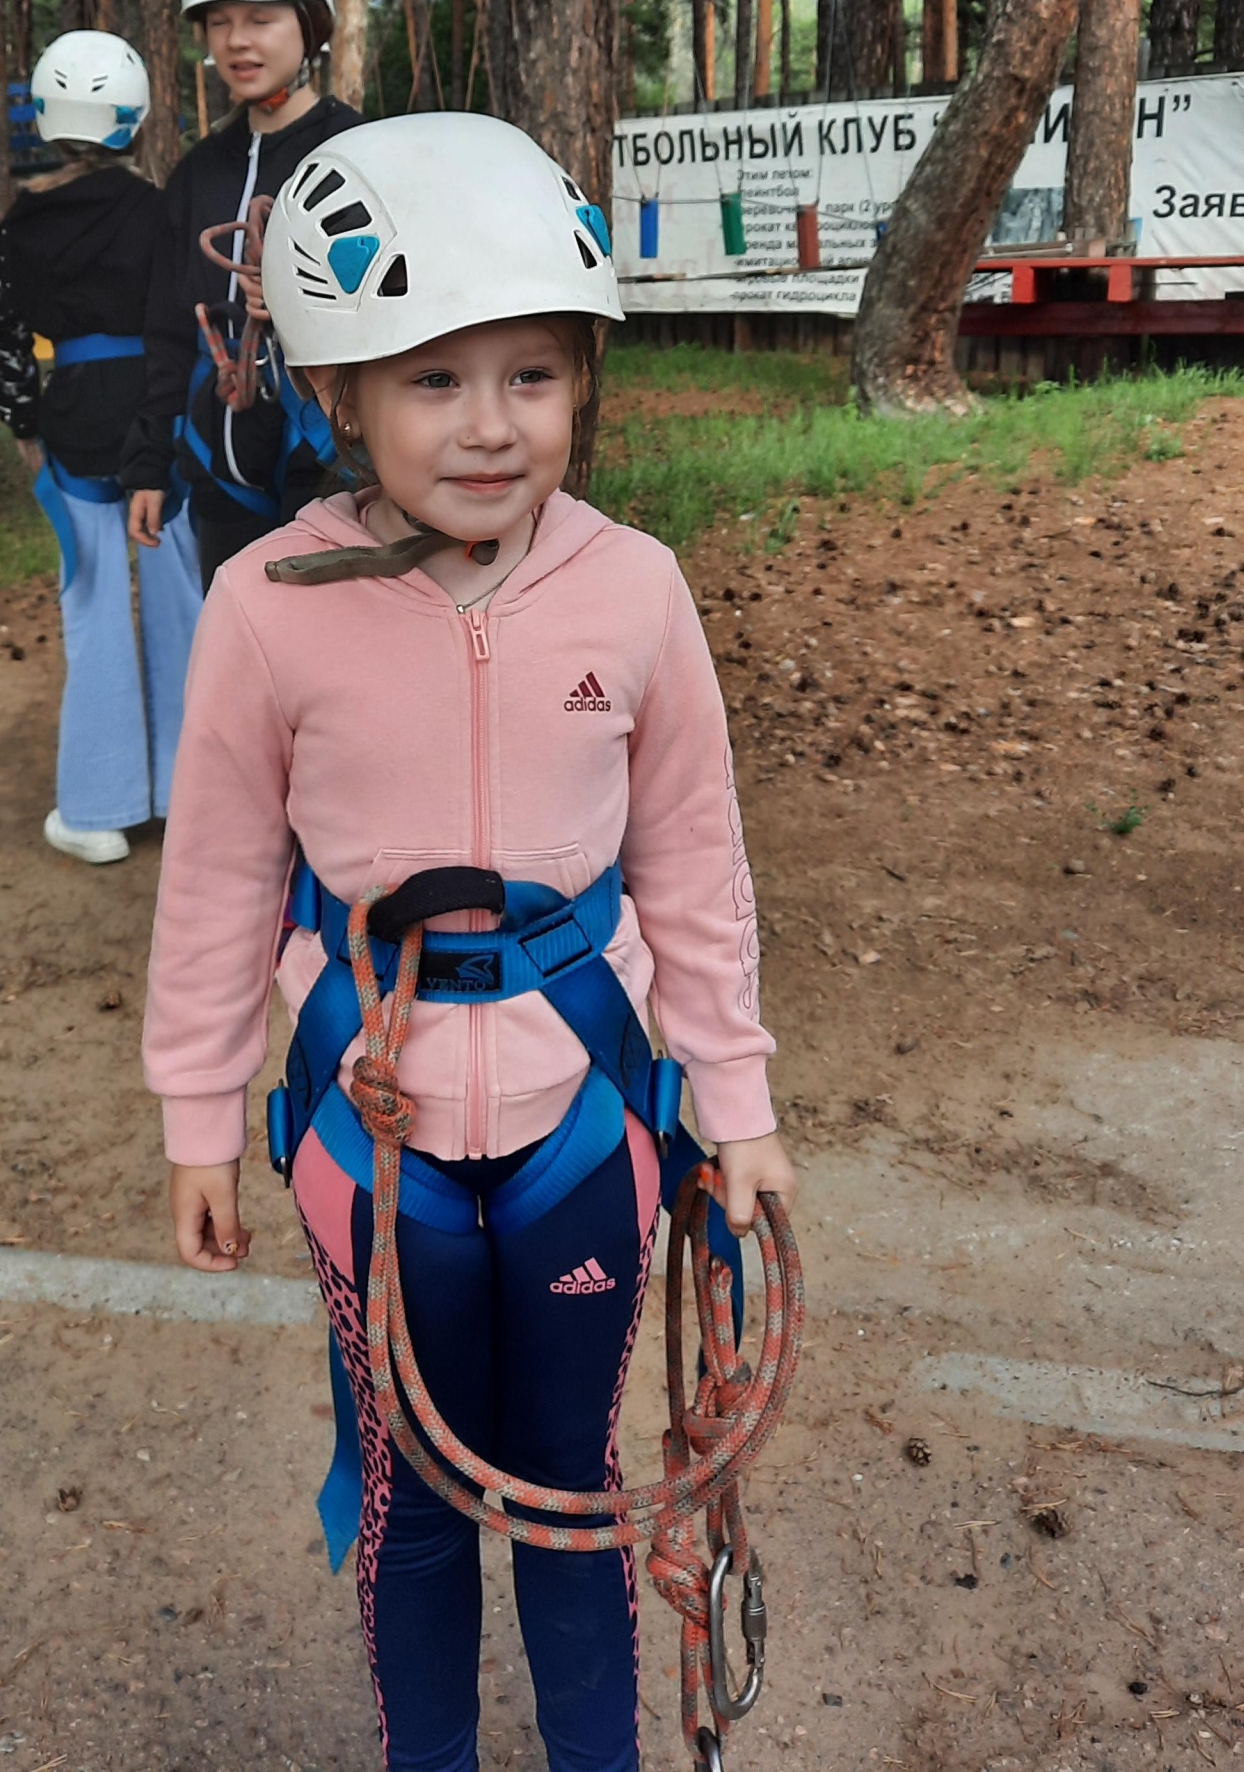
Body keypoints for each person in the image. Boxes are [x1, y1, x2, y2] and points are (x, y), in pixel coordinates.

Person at [142, 114, 797, 1772]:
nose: (493, 429)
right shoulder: (268, 606)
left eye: (535, 377)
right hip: (374, 1136)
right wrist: (198, 1112)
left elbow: (693, 860)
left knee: (573, 1499)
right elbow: (218, 873)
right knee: (412, 1503)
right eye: (434, 382)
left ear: (584, 386)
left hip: (588, 1114)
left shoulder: (635, 589)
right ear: (342, 397)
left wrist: (736, 1098)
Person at [0, 32, 203, 866]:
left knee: (94, 609)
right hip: (160, 419)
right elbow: (181, 319)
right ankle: (191, 795)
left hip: (71, 422)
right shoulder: (159, 212)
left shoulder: (20, 224)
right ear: (135, 120)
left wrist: (26, 427)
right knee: (182, 603)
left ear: (43, 116)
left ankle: (97, 808)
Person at [118, 0, 362, 588]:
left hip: (328, 460)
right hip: (217, 463)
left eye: (260, 19)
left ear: (308, 25)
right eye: (219, 22)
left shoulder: (357, 153)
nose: (236, 41)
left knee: (330, 663)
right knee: (243, 656)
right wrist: (150, 464)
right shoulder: (198, 173)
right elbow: (168, 328)